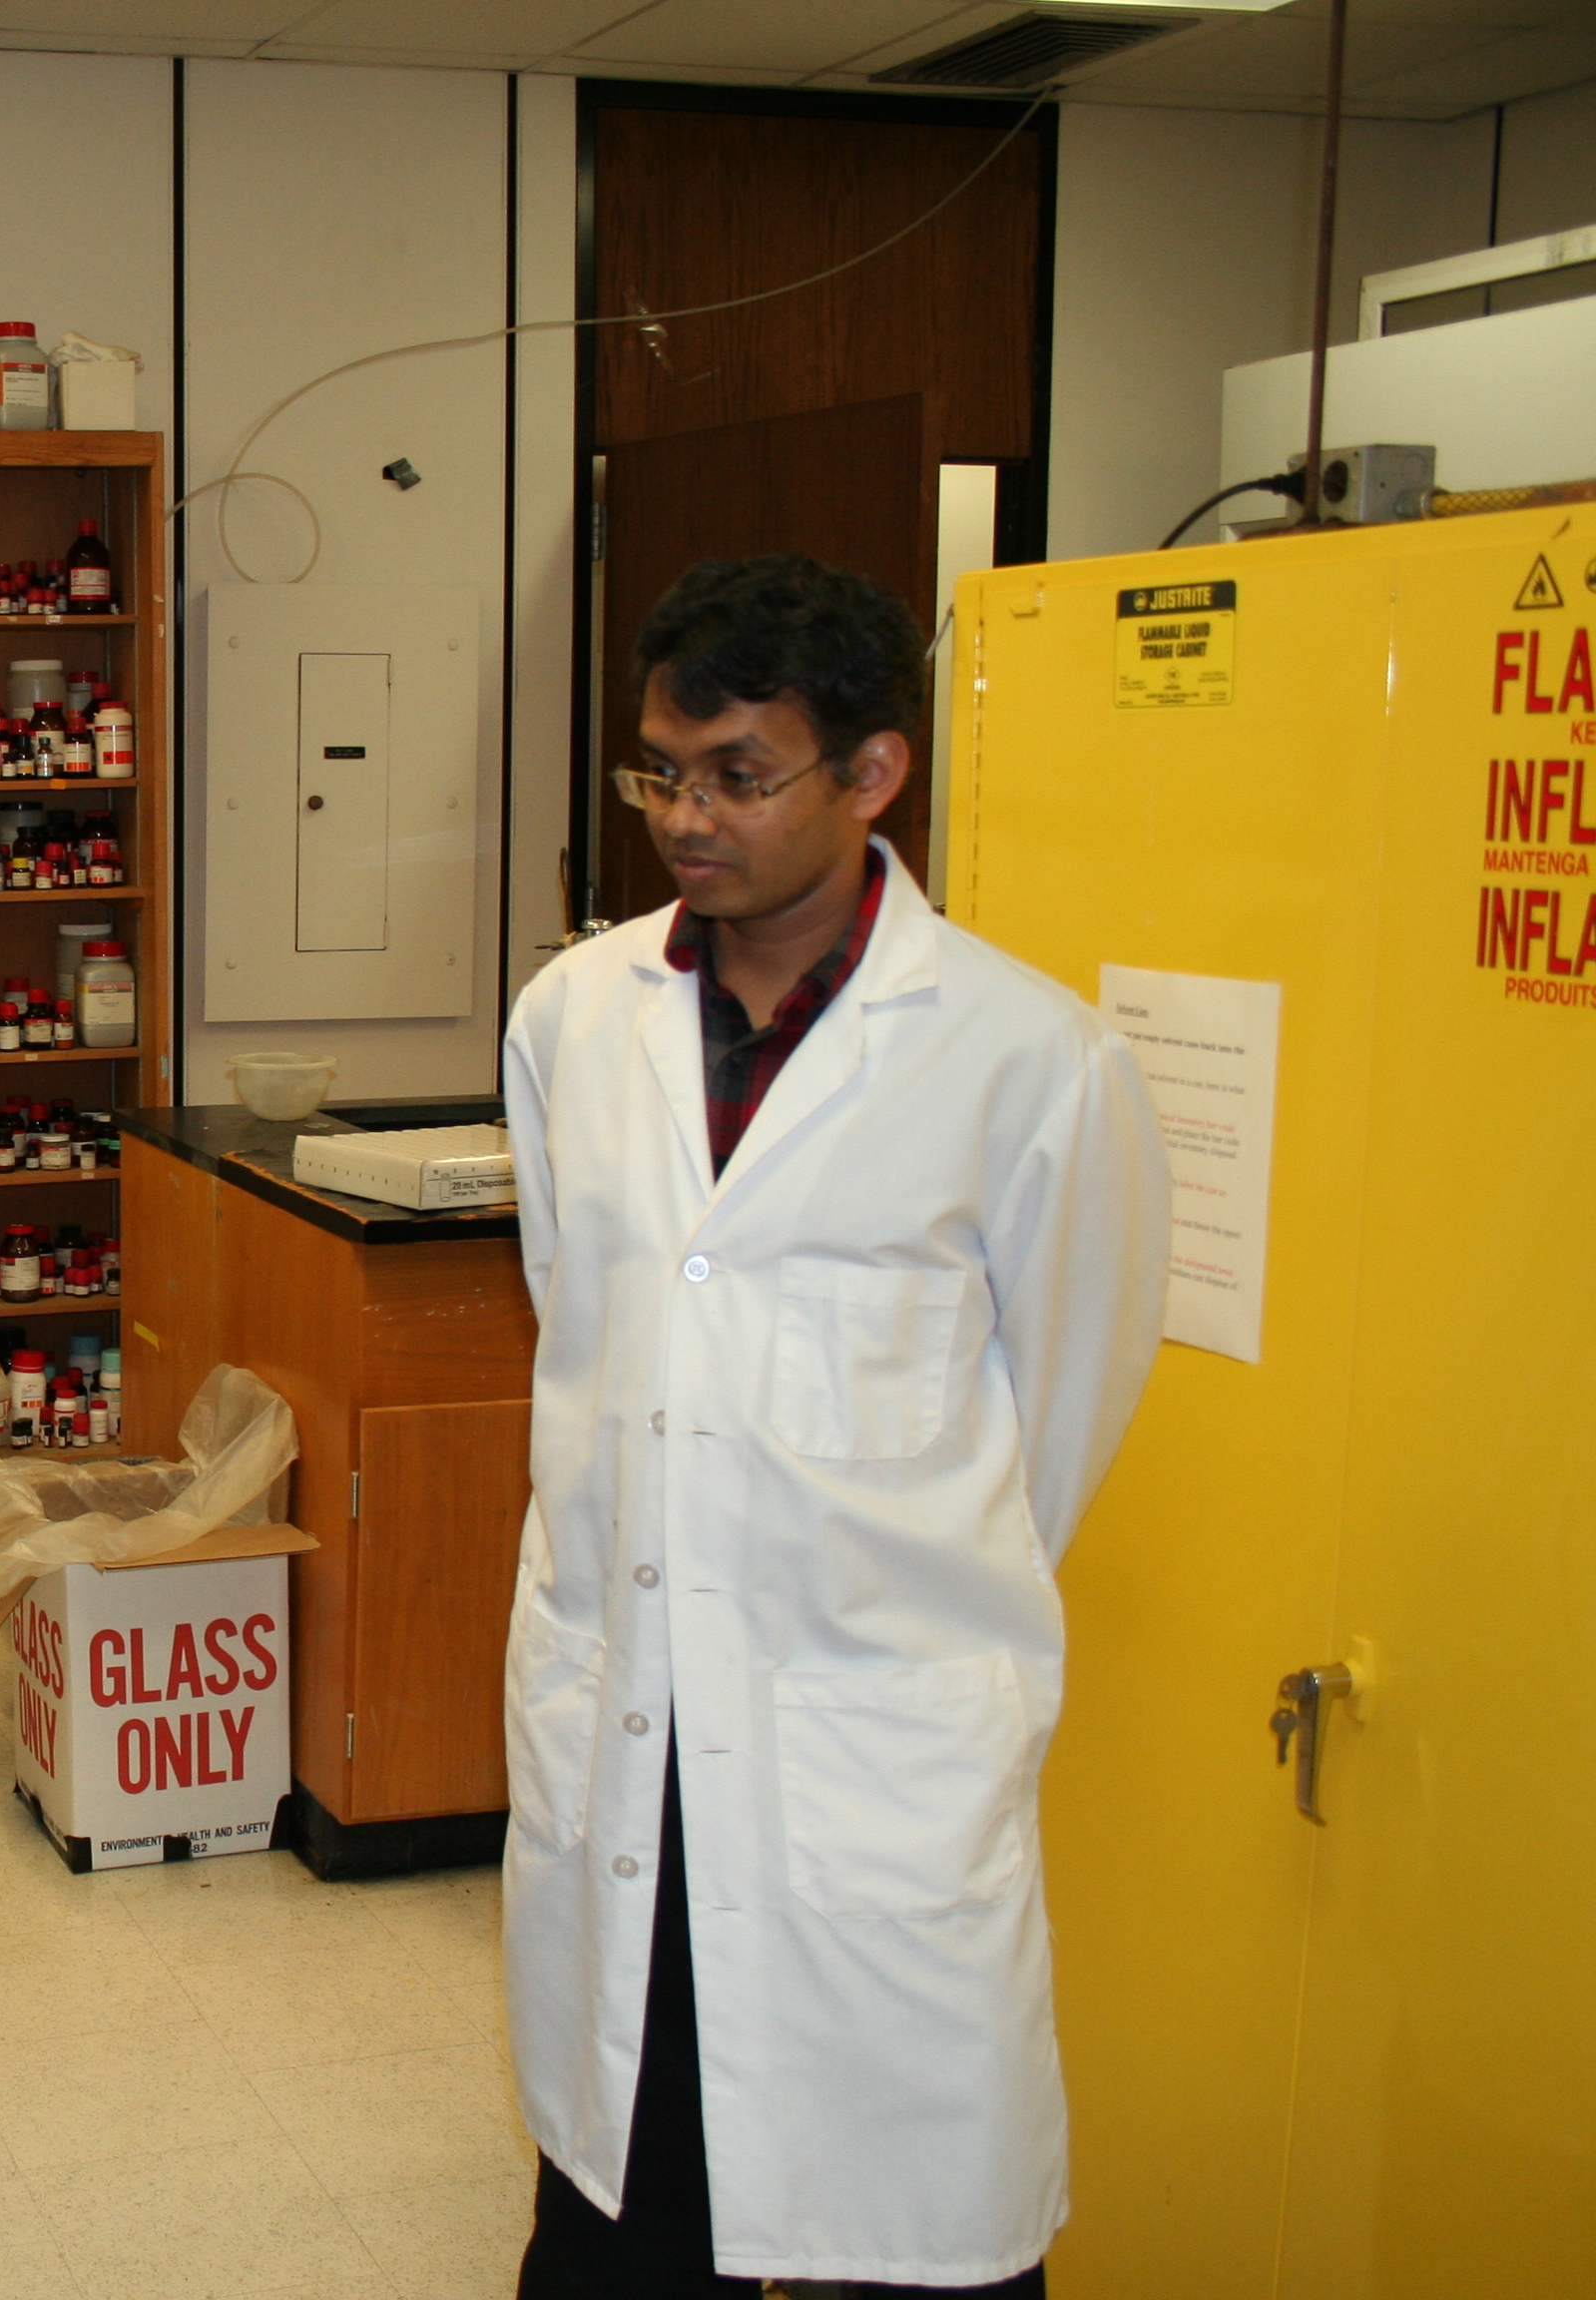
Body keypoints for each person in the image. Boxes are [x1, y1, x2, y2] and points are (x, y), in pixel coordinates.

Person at [499, 555, 1171, 2296]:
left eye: (736, 771)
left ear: (872, 774)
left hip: (866, 1765)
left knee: (916, 2239)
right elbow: (591, 1326)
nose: (682, 817)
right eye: (659, 767)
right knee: (617, 2226)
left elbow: (1060, 1422)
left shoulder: (1029, 1061)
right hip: (626, 1728)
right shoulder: (575, 1019)